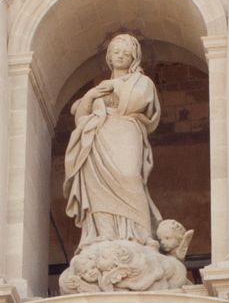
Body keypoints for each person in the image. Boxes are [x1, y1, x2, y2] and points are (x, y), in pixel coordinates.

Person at [62, 34, 160, 246]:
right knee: (97, 184)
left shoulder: (141, 82)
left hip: (126, 128)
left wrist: (114, 88)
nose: (121, 56)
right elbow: (80, 117)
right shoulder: (98, 88)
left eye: (126, 53)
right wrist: (90, 96)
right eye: (116, 52)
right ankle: (104, 233)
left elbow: (137, 103)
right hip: (97, 135)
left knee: (130, 175)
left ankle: (142, 233)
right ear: (109, 56)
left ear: (134, 58)